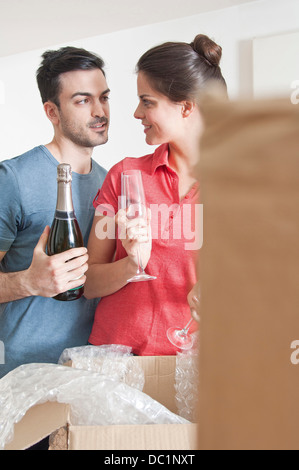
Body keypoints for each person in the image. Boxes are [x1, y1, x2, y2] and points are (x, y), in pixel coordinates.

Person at [84, 34, 227, 355]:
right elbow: (88, 284)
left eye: (147, 101)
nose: (136, 113)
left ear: (187, 107)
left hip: (195, 363)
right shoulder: (125, 175)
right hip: (116, 361)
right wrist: (131, 263)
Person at [0, 46, 110, 379]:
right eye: (82, 100)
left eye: (103, 97)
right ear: (52, 111)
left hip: (86, 373)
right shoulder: (14, 179)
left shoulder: (111, 184)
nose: (100, 111)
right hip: (21, 376)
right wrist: (28, 282)